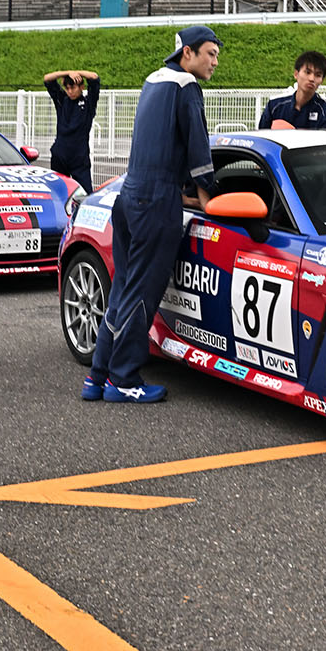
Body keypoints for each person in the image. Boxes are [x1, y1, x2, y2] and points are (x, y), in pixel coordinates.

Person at [83, 25, 221, 404]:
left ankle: (98, 376)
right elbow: (197, 149)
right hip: (156, 203)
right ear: (187, 54)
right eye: (210, 53)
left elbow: (158, 142)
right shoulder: (186, 87)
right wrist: (208, 198)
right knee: (142, 294)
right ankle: (124, 379)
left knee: (123, 290)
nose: (214, 62)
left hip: (129, 195)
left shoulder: (153, 81)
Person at [42, 68, 100, 192]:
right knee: (58, 193)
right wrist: (67, 73)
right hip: (60, 155)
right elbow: (47, 78)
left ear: (81, 87)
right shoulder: (62, 100)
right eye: (67, 88)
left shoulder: (89, 103)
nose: (70, 91)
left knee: (85, 193)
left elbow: (94, 77)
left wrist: (77, 72)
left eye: (73, 88)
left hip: (79, 157)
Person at [258, 50, 326, 130]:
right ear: (296, 74)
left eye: (318, 75)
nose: (312, 79)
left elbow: (325, 141)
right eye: (307, 72)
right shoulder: (275, 104)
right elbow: (262, 137)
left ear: (322, 80)